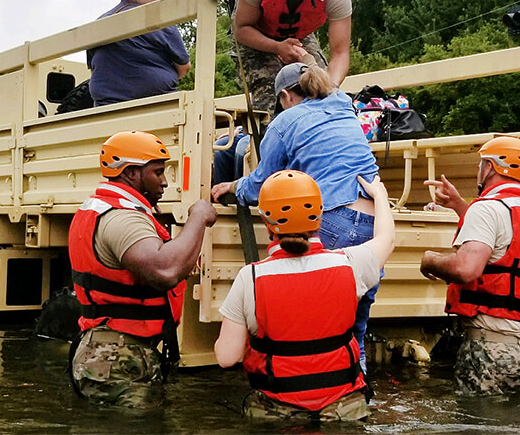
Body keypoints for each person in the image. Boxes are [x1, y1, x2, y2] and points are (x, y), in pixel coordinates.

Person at [210, 62, 382, 371]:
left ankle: (300, 393)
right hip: (372, 220)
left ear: (286, 95)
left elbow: (264, 184)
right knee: (354, 329)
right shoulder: (345, 108)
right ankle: (354, 393)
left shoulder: (286, 120)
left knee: (309, 322)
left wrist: (232, 187)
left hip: (332, 216)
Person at [214, 170, 395, 422]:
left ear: (267, 222)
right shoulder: (350, 264)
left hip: (279, 414)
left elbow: (226, 358)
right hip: (344, 410)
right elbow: (387, 238)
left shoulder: (250, 278)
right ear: (319, 217)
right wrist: (379, 195)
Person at [67, 130, 218, 408]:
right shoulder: (122, 218)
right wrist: (198, 217)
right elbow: (165, 271)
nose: (164, 182)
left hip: (111, 350)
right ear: (131, 174)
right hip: (116, 356)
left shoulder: (106, 208)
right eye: (158, 173)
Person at [419, 136, 520, 395]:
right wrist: (460, 206)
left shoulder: (487, 209)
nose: (477, 171)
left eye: (480, 164)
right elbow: (503, 246)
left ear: (490, 167)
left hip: (489, 350)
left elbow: (466, 269)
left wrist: (430, 260)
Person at [233, 0, 352, 116]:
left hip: (299, 34)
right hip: (255, 34)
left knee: (317, 86)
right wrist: (277, 47)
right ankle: (267, 137)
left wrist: (330, 88)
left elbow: (340, 53)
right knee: (271, 95)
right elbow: (241, 29)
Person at [88, 0, 191, 107]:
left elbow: (94, 67)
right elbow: (184, 67)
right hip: (157, 106)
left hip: (105, 108)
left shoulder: (98, 25)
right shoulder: (159, 21)